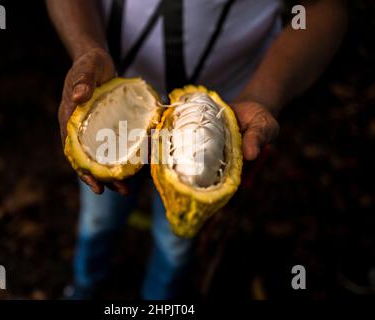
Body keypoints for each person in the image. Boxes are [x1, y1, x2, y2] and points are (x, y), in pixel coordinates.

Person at [46, 0, 347, 299]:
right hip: (110, 94)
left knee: (176, 238)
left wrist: (263, 95)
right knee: (97, 217)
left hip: (229, 106)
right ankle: (85, 285)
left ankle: (159, 299)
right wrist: (85, 46)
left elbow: (323, 8)